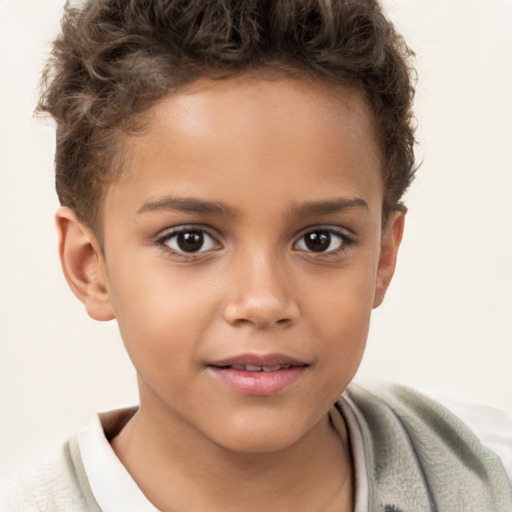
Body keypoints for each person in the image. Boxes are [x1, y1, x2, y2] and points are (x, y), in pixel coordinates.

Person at [0, 0, 510, 510]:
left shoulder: (488, 478)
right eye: (190, 240)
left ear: (382, 257)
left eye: (320, 240)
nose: (263, 302)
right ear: (91, 266)